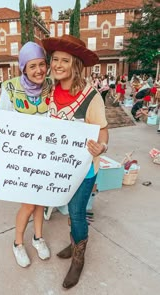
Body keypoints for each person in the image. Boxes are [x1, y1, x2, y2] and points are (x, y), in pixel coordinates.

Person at [42, 34, 109, 289]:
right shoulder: (51, 91)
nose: (57, 64)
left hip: (83, 169)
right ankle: (73, 244)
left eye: (64, 60)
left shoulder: (91, 97)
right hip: (60, 166)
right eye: (55, 59)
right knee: (68, 209)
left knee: (77, 213)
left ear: (76, 64)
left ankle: (78, 258)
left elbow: (103, 130)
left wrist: (101, 146)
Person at [0, 41, 52, 267]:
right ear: (23, 68)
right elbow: (0, 122)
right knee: (28, 204)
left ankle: (38, 238)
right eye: (32, 66)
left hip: (47, 157)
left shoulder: (52, 86)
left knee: (42, 202)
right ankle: (17, 243)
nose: (38, 70)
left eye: (42, 64)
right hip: (22, 159)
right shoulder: (10, 87)